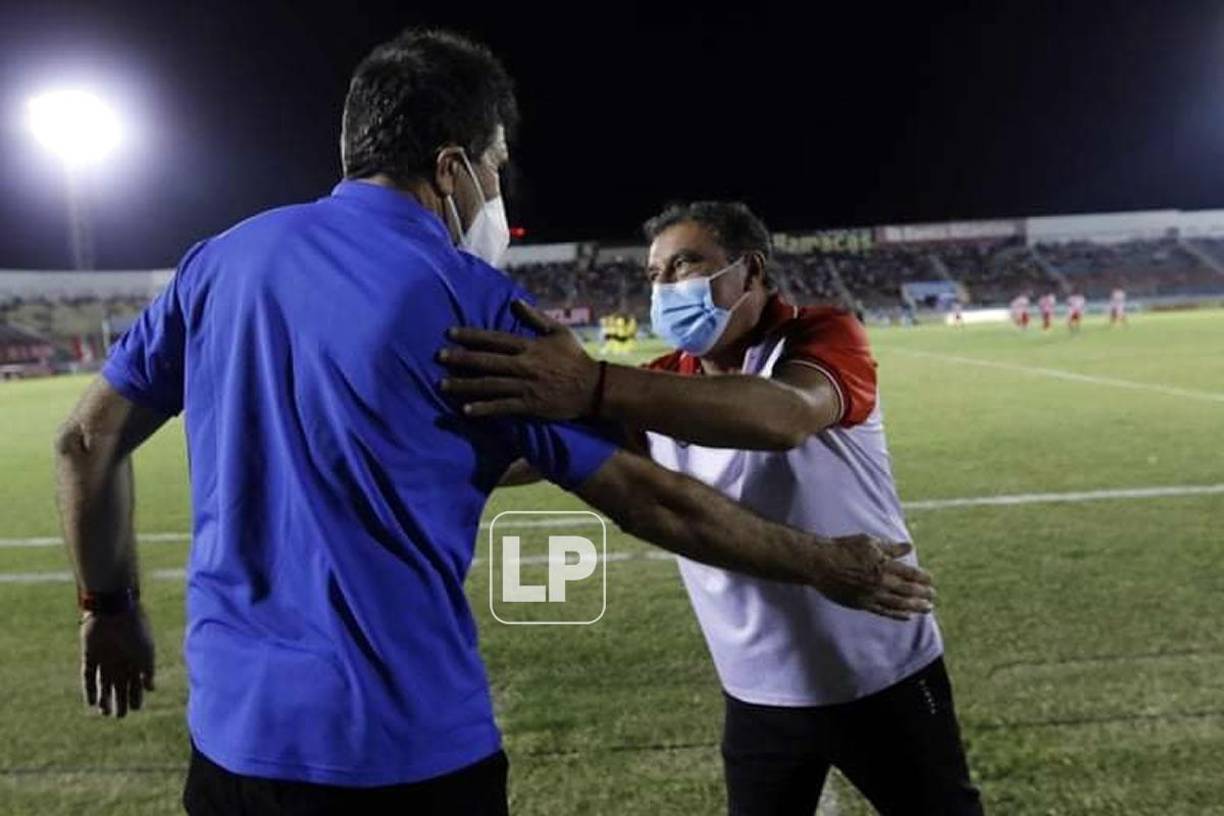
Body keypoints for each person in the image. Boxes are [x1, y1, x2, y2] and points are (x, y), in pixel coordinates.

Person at [53, 31, 935, 816]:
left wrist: (109, 607)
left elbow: (87, 441)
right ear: (452, 168)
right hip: (409, 751)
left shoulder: (219, 262)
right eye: (497, 165)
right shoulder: (474, 306)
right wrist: (825, 564)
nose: (498, 192)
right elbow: (649, 504)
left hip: (232, 746)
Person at [439, 201, 982, 815]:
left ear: (749, 273)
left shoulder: (821, 336)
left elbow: (784, 416)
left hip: (884, 676)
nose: (667, 286)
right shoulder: (662, 384)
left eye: (685, 264)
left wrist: (593, 385)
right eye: (655, 276)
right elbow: (531, 459)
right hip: (757, 696)